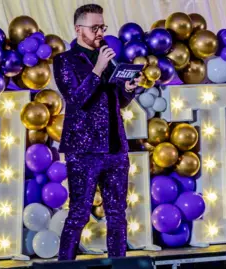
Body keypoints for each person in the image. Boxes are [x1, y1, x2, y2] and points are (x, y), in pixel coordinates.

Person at [53, 4, 144, 261]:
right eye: (94, 28)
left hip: (115, 147)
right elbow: (76, 99)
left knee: (117, 214)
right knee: (79, 213)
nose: (99, 33)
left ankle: (119, 264)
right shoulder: (65, 61)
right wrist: (97, 70)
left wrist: (128, 89)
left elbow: (117, 103)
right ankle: (65, 265)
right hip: (83, 150)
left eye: (102, 27)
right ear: (78, 29)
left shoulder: (110, 60)